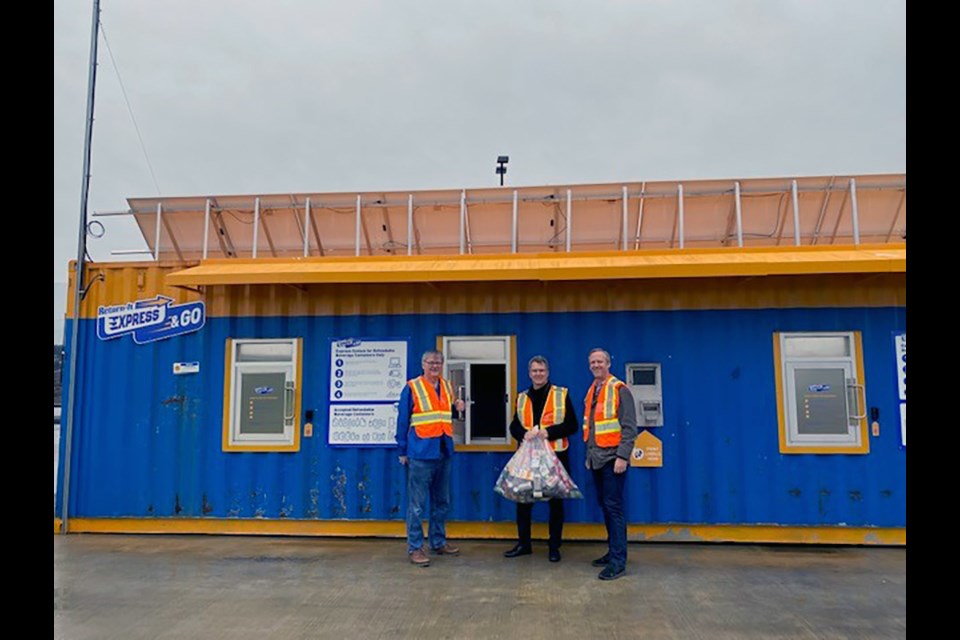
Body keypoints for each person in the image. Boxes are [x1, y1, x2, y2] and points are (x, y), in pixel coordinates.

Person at [503, 355, 579, 562]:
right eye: (534, 371)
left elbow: (572, 425)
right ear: (529, 373)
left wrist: (549, 432)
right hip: (529, 457)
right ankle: (524, 544)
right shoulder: (521, 397)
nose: (538, 374)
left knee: (556, 503)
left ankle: (554, 547)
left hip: (555, 457)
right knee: (523, 500)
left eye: (541, 370)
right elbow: (514, 425)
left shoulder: (561, 394)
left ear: (547, 372)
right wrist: (522, 434)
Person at [396, 350, 466, 567]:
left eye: (438, 363)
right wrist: (402, 450)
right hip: (420, 452)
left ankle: (438, 542)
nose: (435, 366)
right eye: (431, 362)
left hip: (443, 450)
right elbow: (402, 419)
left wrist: (458, 408)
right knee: (416, 505)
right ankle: (415, 548)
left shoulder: (446, 386)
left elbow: (443, 414)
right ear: (423, 364)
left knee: (442, 501)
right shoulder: (412, 387)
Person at [582, 347, 637, 580]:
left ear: (608, 363)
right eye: (592, 362)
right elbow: (592, 428)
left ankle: (618, 561)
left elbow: (629, 427)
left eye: (600, 361)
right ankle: (612, 552)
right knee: (606, 506)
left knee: (614, 509)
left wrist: (623, 457)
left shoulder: (619, 389)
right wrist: (589, 456)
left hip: (614, 459)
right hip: (596, 459)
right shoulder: (593, 390)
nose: (596, 365)